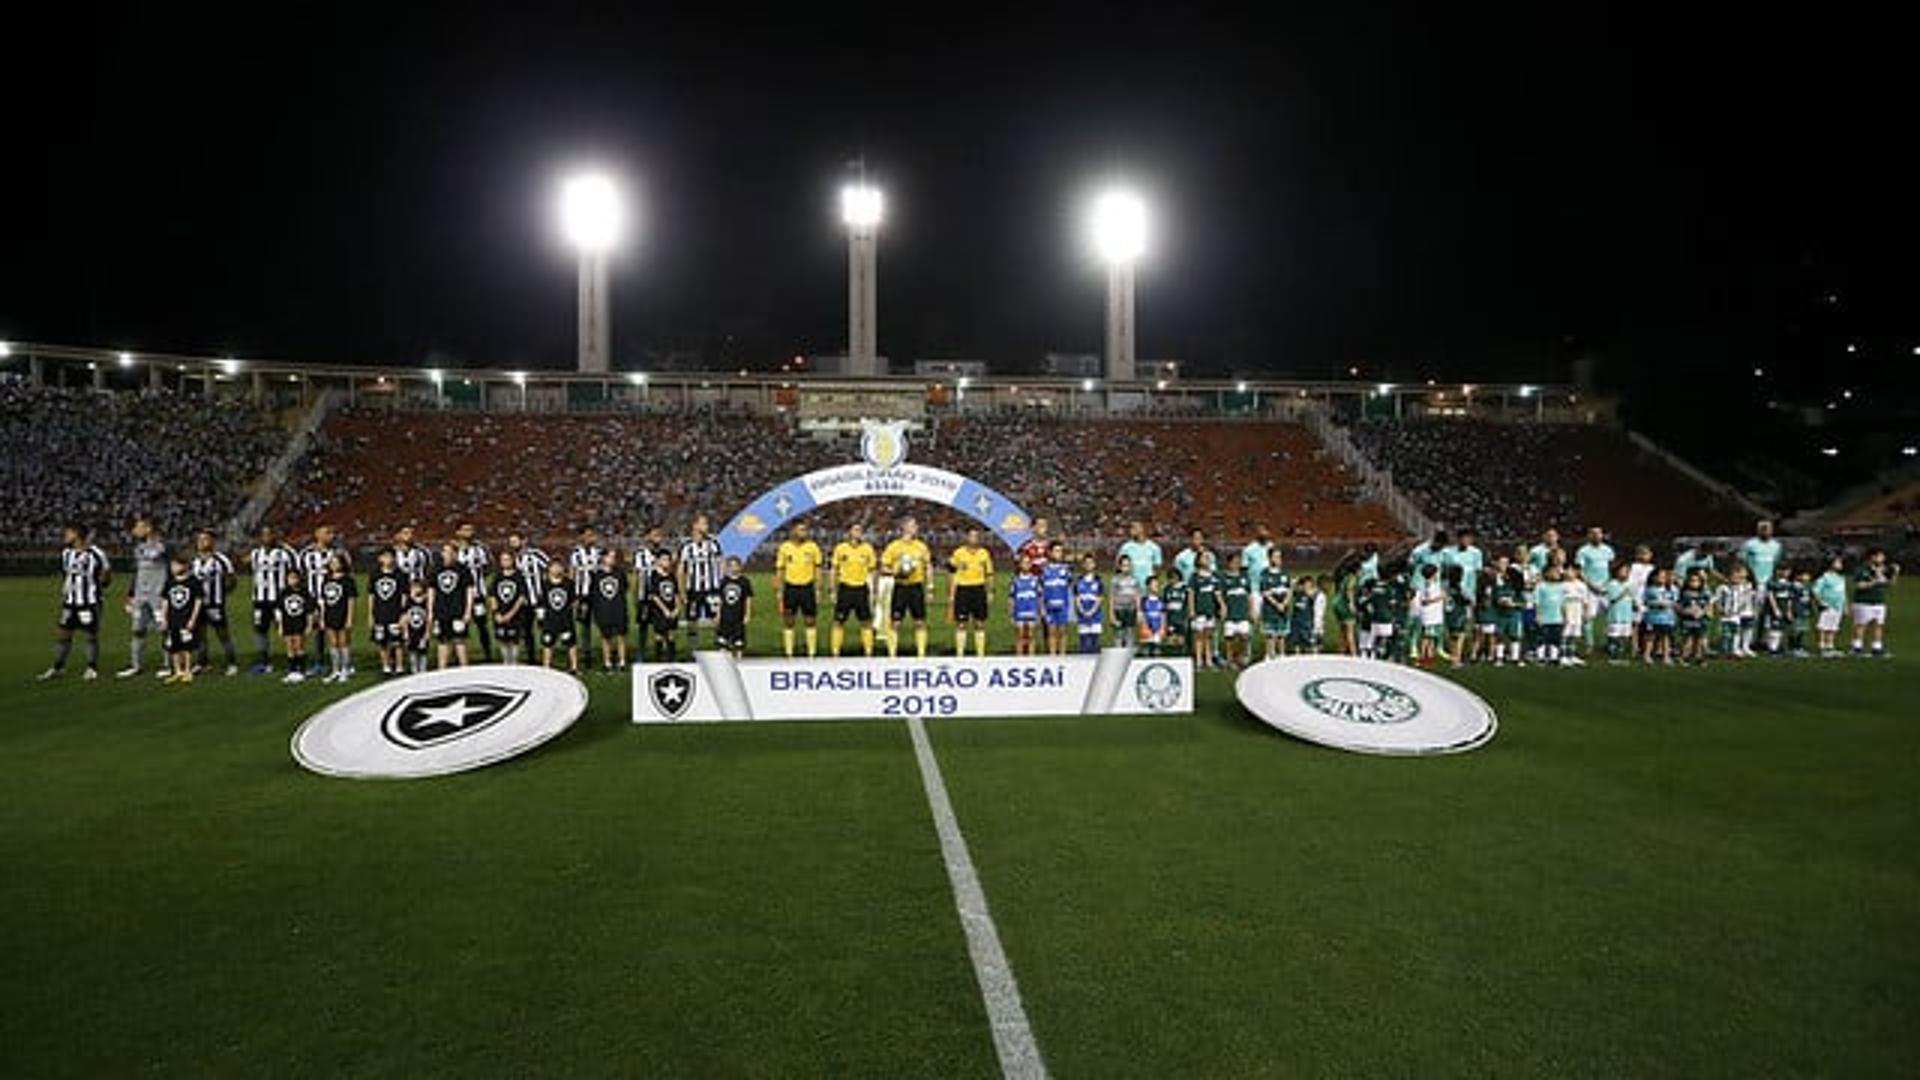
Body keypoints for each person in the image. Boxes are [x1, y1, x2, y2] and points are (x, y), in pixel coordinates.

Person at [118, 517, 168, 679]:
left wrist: (167, 593)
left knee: (163, 630)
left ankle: (168, 665)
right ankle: (135, 666)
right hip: (141, 596)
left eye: (138, 527)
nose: (134, 531)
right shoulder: (139, 548)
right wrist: (131, 593)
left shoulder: (163, 546)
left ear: (148, 528)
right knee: (137, 630)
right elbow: (138, 572)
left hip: (158, 596)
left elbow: (173, 568)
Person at [246, 525, 297, 674]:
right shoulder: (255, 553)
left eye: (269, 534)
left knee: (286, 629)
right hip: (260, 600)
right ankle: (264, 662)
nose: (266, 537)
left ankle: (293, 660)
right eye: (264, 534)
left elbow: (296, 572)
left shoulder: (285, 552)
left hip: (279, 599)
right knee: (261, 630)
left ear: (275, 535)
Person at [299, 525, 350, 675]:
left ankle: (344, 664)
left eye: (332, 533)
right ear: (317, 534)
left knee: (340, 630)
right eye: (327, 533)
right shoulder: (305, 554)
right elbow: (300, 576)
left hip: (335, 599)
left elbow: (347, 574)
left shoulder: (340, 553)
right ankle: (319, 662)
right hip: (313, 598)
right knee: (316, 631)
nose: (331, 535)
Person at [880, 517, 934, 658]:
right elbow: (884, 567)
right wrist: (897, 573)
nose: (916, 527)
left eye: (916, 525)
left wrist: (930, 587)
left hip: (916, 587)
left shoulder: (921, 546)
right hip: (900, 587)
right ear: (905, 527)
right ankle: (892, 655)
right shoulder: (894, 546)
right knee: (895, 622)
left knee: (920, 621)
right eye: (913, 525)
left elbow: (928, 567)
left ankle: (921, 654)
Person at [189, 529, 239, 675]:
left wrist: (224, 593)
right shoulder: (194, 561)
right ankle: (202, 663)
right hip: (198, 605)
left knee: (223, 635)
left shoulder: (221, 560)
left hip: (215, 604)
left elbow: (232, 579)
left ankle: (231, 663)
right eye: (199, 540)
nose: (201, 543)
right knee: (200, 635)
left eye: (205, 539)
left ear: (212, 542)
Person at [677, 516, 725, 655]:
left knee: (717, 618)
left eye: (707, 523)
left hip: (712, 588)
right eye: (704, 523)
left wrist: (721, 581)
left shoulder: (713, 543)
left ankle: (720, 648)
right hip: (693, 589)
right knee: (692, 621)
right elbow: (681, 570)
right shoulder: (686, 546)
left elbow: (721, 561)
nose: (707, 526)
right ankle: (694, 650)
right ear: (695, 526)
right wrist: (682, 591)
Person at [775, 522, 823, 658]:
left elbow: (818, 569)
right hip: (791, 588)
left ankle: (811, 653)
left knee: (810, 620)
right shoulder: (785, 547)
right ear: (793, 531)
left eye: (805, 530)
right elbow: (780, 570)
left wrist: (818, 589)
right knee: (789, 620)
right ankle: (789, 653)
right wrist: (779, 591)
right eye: (801, 529)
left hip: (807, 588)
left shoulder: (813, 547)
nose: (804, 532)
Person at [830, 522, 877, 657]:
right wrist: (832, 590)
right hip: (845, 588)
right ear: (849, 532)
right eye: (855, 530)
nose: (858, 532)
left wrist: (873, 591)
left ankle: (868, 652)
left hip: (861, 589)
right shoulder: (841, 548)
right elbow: (834, 569)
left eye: (860, 530)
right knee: (838, 621)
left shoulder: (867, 549)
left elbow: (872, 571)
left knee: (866, 622)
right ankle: (835, 653)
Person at [947, 527, 993, 658]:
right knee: (961, 623)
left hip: (979, 589)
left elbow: (989, 574)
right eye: (971, 535)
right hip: (963, 589)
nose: (974, 538)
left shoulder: (984, 553)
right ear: (966, 537)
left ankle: (980, 655)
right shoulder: (958, 553)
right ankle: (960, 654)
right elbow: (951, 571)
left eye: (976, 536)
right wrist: (951, 594)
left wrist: (990, 591)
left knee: (979, 623)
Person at [159, 553, 203, 684]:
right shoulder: (170, 582)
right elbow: (165, 600)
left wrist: (193, 619)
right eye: (172, 565)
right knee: (174, 646)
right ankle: (177, 671)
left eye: (175, 565)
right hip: (173, 619)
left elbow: (198, 601)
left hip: (186, 618)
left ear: (184, 566)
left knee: (187, 646)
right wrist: (164, 618)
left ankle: (188, 670)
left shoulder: (193, 581)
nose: (173, 568)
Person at [454, 523, 495, 662]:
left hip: (478, 594)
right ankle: (459, 656)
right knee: (458, 626)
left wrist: (478, 578)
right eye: (465, 529)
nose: (469, 532)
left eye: (471, 529)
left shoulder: (481, 548)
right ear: (458, 532)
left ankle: (487, 654)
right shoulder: (453, 548)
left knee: (481, 624)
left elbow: (490, 566)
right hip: (458, 597)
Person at [430, 541, 474, 669]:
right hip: (441, 610)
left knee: (459, 640)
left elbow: (469, 590)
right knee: (442, 641)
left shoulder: (463, 569)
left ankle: (464, 669)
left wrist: (468, 611)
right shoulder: (436, 569)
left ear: (455, 554)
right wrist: (431, 611)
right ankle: (442, 669)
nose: (446, 555)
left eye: (450, 552)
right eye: (444, 552)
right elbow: (431, 590)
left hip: (458, 610)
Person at [368, 548, 409, 676]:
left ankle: (399, 666)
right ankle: (386, 666)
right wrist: (371, 614)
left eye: (390, 556)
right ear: (380, 559)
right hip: (380, 612)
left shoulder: (400, 575)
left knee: (397, 642)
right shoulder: (375, 575)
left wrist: (403, 613)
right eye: (385, 556)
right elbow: (372, 596)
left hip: (395, 611)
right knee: (382, 642)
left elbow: (404, 595)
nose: (388, 559)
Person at [1849, 548, 1897, 658]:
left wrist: (1895, 573)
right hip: (1863, 601)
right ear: (1872, 557)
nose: (1883, 558)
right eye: (1880, 556)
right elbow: (1859, 585)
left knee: (1878, 625)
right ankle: (1857, 647)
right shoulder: (1862, 569)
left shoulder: (1883, 569)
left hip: (1879, 601)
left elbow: (1890, 585)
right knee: (1861, 625)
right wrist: (1875, 581)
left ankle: (1877, 647)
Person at [629, 524, 668, 660]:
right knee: (643, 626)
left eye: (659, 534)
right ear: (647, 537)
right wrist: (634, 595)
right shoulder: (640, 554)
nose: (658, 537)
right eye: (655, 534)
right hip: (644, 596)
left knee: (662, 626)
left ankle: (662, 652)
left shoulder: (664, 553)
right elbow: (636, 575)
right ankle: (641, 653)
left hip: (661, 596)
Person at [318, 554, 358, 682]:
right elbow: (324, 601)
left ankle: (345, 669)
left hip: (342, 614)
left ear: (342, 564)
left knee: (343, 643)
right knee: (333, 643)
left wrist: (349, 618)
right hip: (330, 615)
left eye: (337, 562)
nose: (334, 565)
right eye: (332, 562)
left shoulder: (348, 580)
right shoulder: (326, 579)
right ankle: (335, 670)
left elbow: (351, 600)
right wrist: (322, 618)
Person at [490, 549, 531, 666]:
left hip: (515, 614)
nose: (505, 562)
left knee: (514, 640)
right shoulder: (497, 577)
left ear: (513, 561)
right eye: (502, 560)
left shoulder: (519, 576)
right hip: (501, 613)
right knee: (503, 639)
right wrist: (496, 613)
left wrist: (511, 614)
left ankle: (514, 662)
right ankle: (505, 662)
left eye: (507, 559)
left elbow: (522, 597)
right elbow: (493, 596)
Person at [591, 549, 630, 671]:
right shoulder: (596, 575)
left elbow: (624, 589)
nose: (613, 559)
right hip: (603, 610)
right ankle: (607, 662)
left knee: (621, 636)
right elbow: (594, 593)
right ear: (603, 558)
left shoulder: (620, 573)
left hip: (618, 608)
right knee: (606, 637)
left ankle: (622, 661)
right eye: (610, 556)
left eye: (614, 557)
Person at [538, 561, 581, 672]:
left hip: (565, 618)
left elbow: (574, 600)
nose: (557, 569)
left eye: (559, 566)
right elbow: (542, 602)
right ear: (549, 569)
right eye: (554, 567)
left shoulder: (569, 583)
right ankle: (546, 667)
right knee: (548, 643)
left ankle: (574, 667)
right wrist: (541, 617)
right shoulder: (545, 584)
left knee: (571, 643)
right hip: (550, 619)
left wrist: (573, 612)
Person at [570, 526, 606, 655]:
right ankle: (586, 652)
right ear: (581, 537)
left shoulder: (598, 552)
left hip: (597, 594)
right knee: (584, 624)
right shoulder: (576, 554)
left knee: (602, 622)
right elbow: (572, 574)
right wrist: (573, 595)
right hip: (582, 594)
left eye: (592, 535)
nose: (592, 538)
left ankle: (605, 652)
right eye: (588, 535)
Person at [1713, 565, 1756, 659]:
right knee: (1726, 634)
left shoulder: (1742, 587)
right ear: (1729, 576)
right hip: (1725, 616)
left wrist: (1742, 608)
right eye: (1735, 577)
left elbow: (1744, 599)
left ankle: (1734, 650)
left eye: (1739, 577)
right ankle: (1724, 651)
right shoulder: (1722, 588)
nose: (1738, 579)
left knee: (1736, 632)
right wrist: (1719, 608)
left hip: (1735, 615)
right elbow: (1716, 599)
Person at [645, 551, 682, 662]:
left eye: (668, 560)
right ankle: (658, 660)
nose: (667, 562)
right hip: (659, 611)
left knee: (671, 635)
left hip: (671, 609)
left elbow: (676, 593)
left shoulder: (671, 576)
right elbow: (654, 596)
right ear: (658, 561)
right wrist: (664, 609)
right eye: (664, 559)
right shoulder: (654, 576)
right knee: (659, 635)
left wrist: (677, 608)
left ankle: (671, 659)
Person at [1217, 551, 1252, 667]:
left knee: (1244, 636)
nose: (1237, 564)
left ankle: (1241, 656)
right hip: (1230, 613)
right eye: (1235, 562)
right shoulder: (1223, 578)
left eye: (1239, 562)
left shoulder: (1244, 577)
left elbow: (1249, 594)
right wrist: (1223, 606)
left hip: (1242, 612)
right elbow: (1219, 594)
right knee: (1229, 638)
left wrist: (1251, 609)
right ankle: (1230, 659)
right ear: (1229, 563)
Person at [1490, 555, 1526, 666]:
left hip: (1514, 613)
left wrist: (1514, 603)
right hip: (1500, 613)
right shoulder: (1494, 579)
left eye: (1506, 563)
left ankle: (1515, 658)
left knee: (1514, 635)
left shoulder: (1516, 582)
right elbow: (1493, 596)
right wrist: (1499, 601)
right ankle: (1499, 657)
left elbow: (1522, 600)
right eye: (1501, 563)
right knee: (1500, 635)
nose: (1503, 566)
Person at [278, 572, 313, 684]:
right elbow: (280, 610)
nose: (292, 580)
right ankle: (292, 671)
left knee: (299, 646)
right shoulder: (284, 592)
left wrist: (309, 625)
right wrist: (280, 626)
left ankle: (301, 670)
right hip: (287, 623)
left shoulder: (304, 592)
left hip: (300, 622)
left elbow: (309, 611)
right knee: (289, 647)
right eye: (289, 578)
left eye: (294, 578)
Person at [1039, 541, 1072, 656]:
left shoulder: (1066, 569)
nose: (1059, 553)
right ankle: (1052, 657)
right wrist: (1042, 607)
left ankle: (1062, 656)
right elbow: (1041, 589)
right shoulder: (1044, 570)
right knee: (1051, 632)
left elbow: (1069, 587)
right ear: (1050, 552)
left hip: (1062, 605)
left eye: (1060, 551)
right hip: (1049, 606)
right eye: (1056, 551)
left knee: (1062, 631)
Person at [715, 557, 753, 657]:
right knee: (722, 641)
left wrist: (747, 614)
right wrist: (718, 614)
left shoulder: (744, 582)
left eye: (736, 566)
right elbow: (720, 599)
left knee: (738, 642)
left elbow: (748, 599)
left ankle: (739, 661)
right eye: (731, 566)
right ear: (727, 568)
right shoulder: (724, 581)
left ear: (740, 567)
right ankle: (723, 660)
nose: (733, 568)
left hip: (738, 616)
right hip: (725, 616)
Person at [1533, 564, 1570, 667]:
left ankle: (1554, 658)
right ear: (1547, 573)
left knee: (1556, 639)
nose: (1557, 574)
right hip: (1544, 618)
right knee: (1542, 639)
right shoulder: (1541, 586)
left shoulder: (1561, 587)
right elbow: (1537, 603)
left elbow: (1563, 603)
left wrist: (1565, 617)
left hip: (1557, 618)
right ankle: (1541, 658)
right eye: (1554, 572)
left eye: (1557, 572)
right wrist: (1537, 616)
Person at [1189, 552, 1222, 668]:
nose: (1207, 560)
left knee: (1208, 636)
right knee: (1198, 636)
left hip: (1210, 610)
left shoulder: (1213, 577)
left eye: (1208, 558)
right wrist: (1192, 609)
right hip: (1199, 610)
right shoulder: (1194, 576)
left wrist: (1222, 606)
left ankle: (1208, 660)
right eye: (1204, 558)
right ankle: (1198, 660)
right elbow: (1191, 594)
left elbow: (1217, 594)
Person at [1603, 562, 1638, 663]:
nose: (1626, 573)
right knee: (1614, 636)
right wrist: (1624, 593)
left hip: (1626, 616)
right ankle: (1613, 655)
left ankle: (1620, 654)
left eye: (1628, 571)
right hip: (1615, 616)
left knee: (1624, 636)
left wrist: (1635, 604)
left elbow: (1632, 597)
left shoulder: (1629, 584)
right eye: (1623, 571)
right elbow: (1613, 599)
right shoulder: (1612, 584)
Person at [1641, 568, 1678, 664]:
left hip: (1667, 618)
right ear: (1653, 578)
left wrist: (1671, 605)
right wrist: (1656, 603)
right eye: (1660, 576)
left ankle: (1666, 656)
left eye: (1665, 577)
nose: (1663, 578)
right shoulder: (1649, 589)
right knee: (1650, 637)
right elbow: (1645, 602)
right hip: (1653, 618)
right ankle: (1647, 655)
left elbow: (1675, 602)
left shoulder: (1671, 589)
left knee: (1665, 637)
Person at [1813, 556, 1847, 657]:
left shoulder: (1841, 578)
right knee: (1823, 626)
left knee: (1833, 627)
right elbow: (1815, 591)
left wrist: (1845, 605)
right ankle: (1822, 646)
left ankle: (1830, 645)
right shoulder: (1824, 577)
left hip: (1838, 606)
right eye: (1838, 562)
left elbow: (1843, 593)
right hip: (1828, 605)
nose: (1840, 564)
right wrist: (1820, 602)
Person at [1073, 552, 1105, 655]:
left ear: (1094, 565)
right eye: (1086, 563)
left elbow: (1100, 598)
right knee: (1083, 642)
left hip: (1095, 615)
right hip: (1082, 615)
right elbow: (1077, 597)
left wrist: (1092, 611)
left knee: (1094, 641)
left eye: (1091, 563)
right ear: (1083, 565)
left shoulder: (1098, 580)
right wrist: (1082, 610)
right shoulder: (1078, 580)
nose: (1088, 565)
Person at [1677, 568, 1711, 665]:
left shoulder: (1703, 594)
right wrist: (1685, 612)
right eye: (1692, 581)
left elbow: (1707, 605)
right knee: (1687, 639)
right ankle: (1684, 656)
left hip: (1700, 620)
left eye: (1697, 581)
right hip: (1688, 620)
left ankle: (1698, 656)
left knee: (1699, 639)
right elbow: (1679, 606)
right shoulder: (1684, 594)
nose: (1694, 583)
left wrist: (1704, 612)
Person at [1415, 563, 1446, 668]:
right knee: (1428, 638)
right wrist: (1440, 597)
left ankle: (1428, 657)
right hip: (1430, 616)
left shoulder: (1432, 583)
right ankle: (1424, 658)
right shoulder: (1428, 585)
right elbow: (1425, 600)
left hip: (1433, 615)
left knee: (1430, 638)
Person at [1739, 519, 1784, 592]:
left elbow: (1777, 564)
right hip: (1753, 583)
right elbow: (1743, 562)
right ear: (1757, 530)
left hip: (1771, 583)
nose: (1765, 531)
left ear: (1772, 530)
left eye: (1767, 528)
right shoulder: (1749, 544)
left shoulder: (1777, 546)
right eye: (1762, 528)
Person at [1010, 558, 1043, 656]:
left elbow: (1039, 597)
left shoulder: (1035, 580)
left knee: (1031, 635)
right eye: (1024, 562)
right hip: (1019, 611)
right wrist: (1011, 613)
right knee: (1020, 635)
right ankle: (1019, 658)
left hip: (1032, 610)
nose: (1026, 565)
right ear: (1020, 565)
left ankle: (1031, 657)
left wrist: (1040, 612)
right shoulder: (1016, 580)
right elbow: (1011, 598)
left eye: (1028, 563)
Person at [1240, 527, 1272, 625]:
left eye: (1266, 531)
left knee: (1270, 617)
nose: (1264, 533)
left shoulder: (1271, 547)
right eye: (1261, 531)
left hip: (1269, 587)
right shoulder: (1248, 550)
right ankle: (1250, 639)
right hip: (1255, 588)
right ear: (1257, 533)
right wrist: (1247, 588)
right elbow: (1243, 570)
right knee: (1254, 617)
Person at [1118, 520, 1163, 590]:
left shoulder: (1154, 548)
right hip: (1131, 588)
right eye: (1130, 528)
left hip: (1147, 587)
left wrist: (1153, 583)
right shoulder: (1126, 548)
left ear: (1142, 529)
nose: (1131, 530)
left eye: (1134, 528)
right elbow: (1119, 567)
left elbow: (1157, 567)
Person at [1260, 561, 1291, 660]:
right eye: (1276, 556)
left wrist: (1285, 603)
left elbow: (1289, 589)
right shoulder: (1265, 574)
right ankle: (1269, 654)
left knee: (1282, 633)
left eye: (1279, 557)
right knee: (1270, 633)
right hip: (1270, 609)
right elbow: (1265, 592)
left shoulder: (1285, 574)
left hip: (1283, 609)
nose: (1278, 559)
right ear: (1270, 558)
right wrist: (1277, 604)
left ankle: (1282, 654)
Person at [1110, 553, 1142, 650]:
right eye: (1124, 565)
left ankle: (1129, 655)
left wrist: (1139, 611)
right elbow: (1112, 597)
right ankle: (1118, 656)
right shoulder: (1115, 580)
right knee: (1119, 635)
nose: (1126, 568)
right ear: (1119, 566)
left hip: (1131, 610)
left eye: (1128, 565)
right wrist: (1112, 614)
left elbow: (1137, 596)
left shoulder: (1134, 580)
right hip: (1119, 610)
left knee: (1130, 634)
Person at [1443, 564, 1472, 668]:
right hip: (1459, 612)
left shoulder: (1446, 586)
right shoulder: (1460, 587)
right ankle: (1457, 660)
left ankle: (1453, 658)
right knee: (1460, 636)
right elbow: (1467, 600)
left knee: (1452, 636)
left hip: (1449, 613)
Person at [401, 579, 432, 674]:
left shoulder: (426, 602)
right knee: (412, 651)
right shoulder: (408, 602)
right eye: (413, 588)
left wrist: (427, 632)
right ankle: (414, 670)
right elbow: (405, 617)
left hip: (422, 631)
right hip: (411, 631)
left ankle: (423, 670)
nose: (415, 590)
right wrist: (405, 632)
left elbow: (428, 618)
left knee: (423, 652)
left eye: (417, 588)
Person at [1575, 526, 1615, 596]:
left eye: (1598, 533)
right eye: (1593, 533)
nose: (1596, 536)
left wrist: (1608, 584)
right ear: (1588, 536)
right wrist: (1592, 586)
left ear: (1602, 535)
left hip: (1605, 587)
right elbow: (1579, 571)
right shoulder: (1582, 551)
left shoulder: (1608, 550)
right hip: (1589, 589)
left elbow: (1611, 568)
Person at [1562, 570, 1591, 664]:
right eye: (1568, 570)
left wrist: (1585, 613)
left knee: (1575, 634)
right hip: (1567, 607)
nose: (1569, 572)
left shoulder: (1582, 585)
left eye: (1572, 570)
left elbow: (1585, 600)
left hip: (1578, 608)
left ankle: (1572, 655)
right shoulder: (1562, 585)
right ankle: (1563, 655)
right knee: (1565, 633)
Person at [1161, 566, 1190, 659]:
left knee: (1181, 638)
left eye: (1175, 577)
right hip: (1171, 618)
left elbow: (1188, 603)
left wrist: (1187, 614)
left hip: (1181, 617)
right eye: (1171, 577)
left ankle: (1181, 656)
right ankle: (1171, 656)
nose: (1173, 579)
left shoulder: (1185, 589)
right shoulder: (1167, 589)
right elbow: (1165, 603)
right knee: (1171, 638)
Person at [1288, 576, 1320, 656]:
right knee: (1296, 640)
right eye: (1305, 584)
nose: (1306, 586)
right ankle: (1297, 654)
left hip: (1307, 621)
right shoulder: (1298, 593)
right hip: (1296, 620)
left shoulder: (1313, 593)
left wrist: (1306, 590)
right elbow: (1290, 592)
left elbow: (1312, 595)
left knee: (1308, 640)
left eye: (1309, 584)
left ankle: (1312, 655)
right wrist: (1293, 585)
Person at [1138, 575, 1166, 657]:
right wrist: (1145, 629)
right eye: (1154, 584)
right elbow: (1141, 616)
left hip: (1158, 630)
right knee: (1146, 652)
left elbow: (1163, 616)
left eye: (1157, 584)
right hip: (1147, 632)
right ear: (1148, 586)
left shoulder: (1161, 600)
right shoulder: (1144, 600)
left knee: (1157, 652)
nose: (1156, 586)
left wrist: (1162, 629)